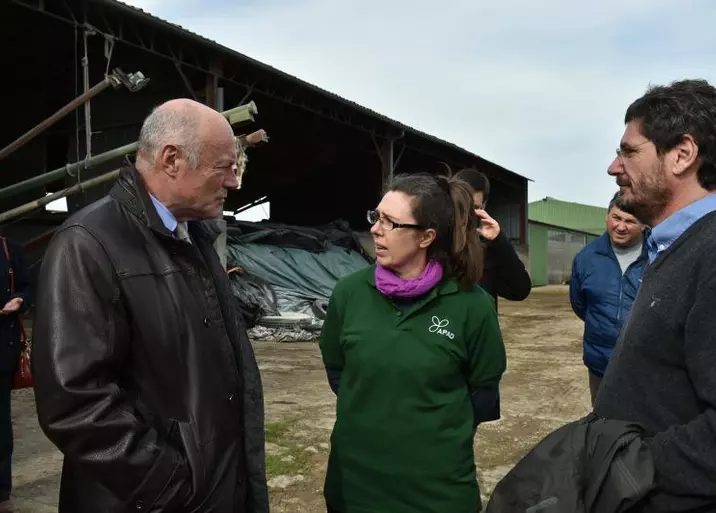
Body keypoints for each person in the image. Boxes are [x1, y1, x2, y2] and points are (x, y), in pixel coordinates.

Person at [32, 99, 268, 513]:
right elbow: (75, 403)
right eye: (224, 167)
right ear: (172, 159)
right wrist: (168, 486)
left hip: (213, 487)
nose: (234, 182)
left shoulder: (192, 237)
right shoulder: (89, 244)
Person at [596, 79, 716, 512]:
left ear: (681, 154)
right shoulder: (674, 248)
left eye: (628, 151)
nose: (613, 166)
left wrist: (620, 466)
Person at [319, 173, 506, 513]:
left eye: (390, 222)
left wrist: (429, 432)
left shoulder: (471, 305)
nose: (376, 229)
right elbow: (338, 372)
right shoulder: (348, 294)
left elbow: (483, 394)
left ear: (426, 237)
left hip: (436, 489)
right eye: (376, 217)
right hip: (356, 483)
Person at [569, 191, 647, 405]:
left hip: (646, 365)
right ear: (607, 216)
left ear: (644, 224)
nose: (621, 227)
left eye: (630, 221)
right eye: (617, 218)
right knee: (603, 425)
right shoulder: (586, 258)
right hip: (600, 363)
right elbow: (579, 304)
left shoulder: (658, 255)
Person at [453, 168, 532, 302]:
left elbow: (520, 291)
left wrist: (500, 241)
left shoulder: (488, 248)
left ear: (484, 206)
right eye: (461, 205)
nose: (465, 214)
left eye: (474, 207)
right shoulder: (432, 242)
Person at [0, 237, 31, 513]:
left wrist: (19, 299)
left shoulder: (10, 249)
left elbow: (28, 287)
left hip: (1, 350)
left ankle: (1, 492)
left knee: (0, 423)